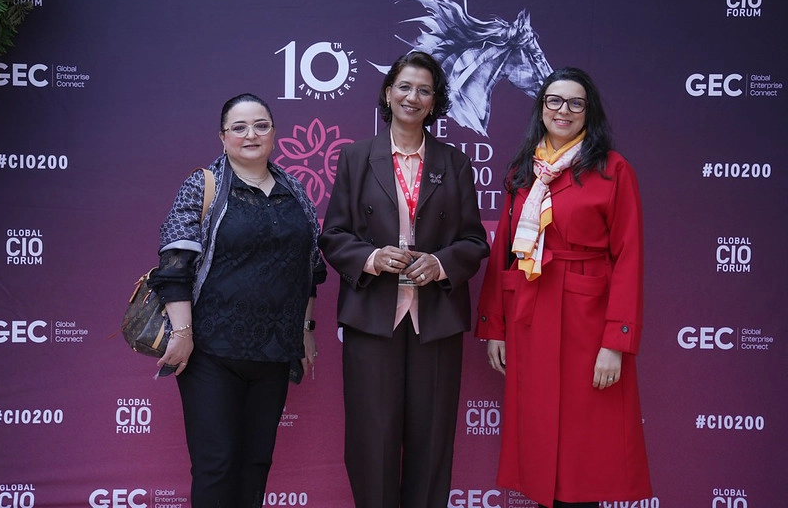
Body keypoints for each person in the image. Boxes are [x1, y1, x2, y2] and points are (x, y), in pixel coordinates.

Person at [319, 51, 489, 508]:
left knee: (432, 440)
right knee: (370, 439)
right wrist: (372, 257)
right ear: (388, 92)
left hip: (435, 320)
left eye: (424, 90)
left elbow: (474, 241)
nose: (413, 97)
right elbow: (333, 235)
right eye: (405, 87)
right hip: (372, 317)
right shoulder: (356, 158)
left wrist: (440, 264)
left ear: (435, 101)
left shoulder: (455, 162)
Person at [476, 67, 652, 508]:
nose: (564, 110)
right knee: (538, 439)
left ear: (589, 112)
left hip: (586, 323)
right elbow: (504, 253)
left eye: (576, 103)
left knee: (584, 448)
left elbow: (629, 258)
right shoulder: (524, 171)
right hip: (531, 317)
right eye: (554, 100)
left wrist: (616, 342)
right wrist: (495, 326)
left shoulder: (613, 170)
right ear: (541, 107)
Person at [147, 93, 326, 508]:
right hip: (210, 352)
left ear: (274, 134)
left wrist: (305, 329)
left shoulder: (295, 191)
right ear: (223, 137)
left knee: (256, 463)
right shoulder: (204, 185)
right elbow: (174, 266)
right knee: (217, 464)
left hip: (274, 353)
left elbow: (309, 271)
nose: (251, 134)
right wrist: (182, 333)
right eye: (239, 127)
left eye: (261, 125)